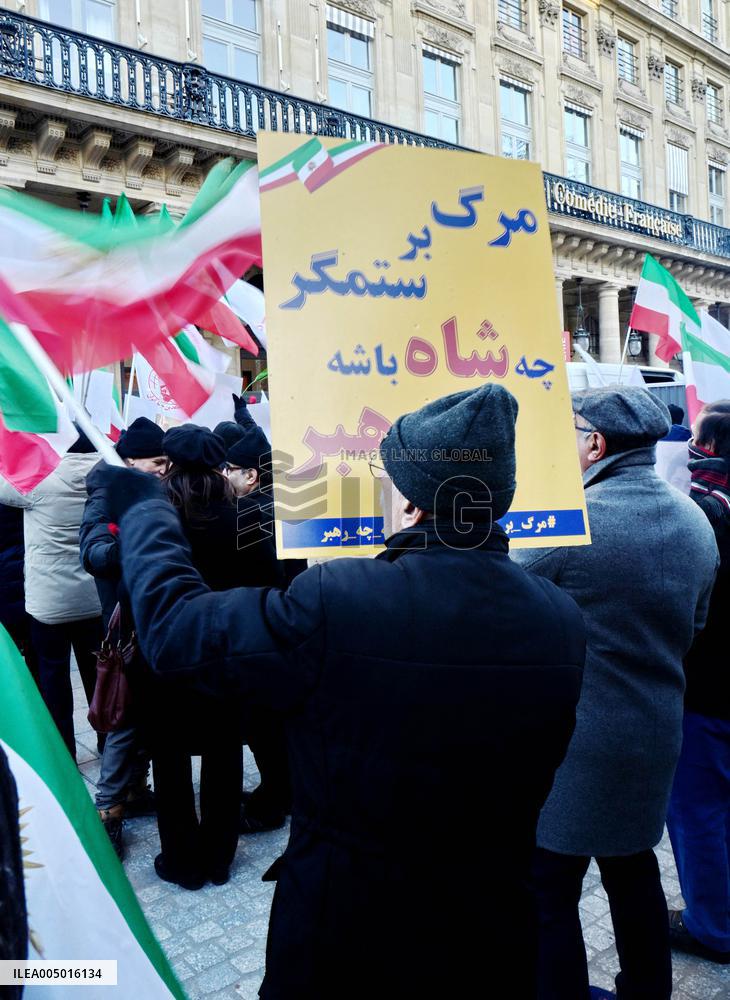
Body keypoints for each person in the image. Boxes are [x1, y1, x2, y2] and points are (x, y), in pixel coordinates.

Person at [98, 384, 586, 999]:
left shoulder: (341, 600)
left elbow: (174, 633)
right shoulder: (561, 619)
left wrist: (146, 512)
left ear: (410, 502)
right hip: (491, 934)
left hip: (347, 933)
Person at [512, 385, 718, 1000]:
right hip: (655, 732)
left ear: (595, 443)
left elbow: (508, 598)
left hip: (576, 746)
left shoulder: (568, 523)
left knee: (549, 886)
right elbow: (696, 625)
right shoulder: (694, 519)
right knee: (634, 873)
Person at [149, 424, 279, 890]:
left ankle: (183, 860)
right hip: (226, 649)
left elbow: (134, 585)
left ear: (171, 465)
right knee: (223, 752)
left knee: (169, 759)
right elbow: (269, 581)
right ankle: (219, 858)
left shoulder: (154, 519)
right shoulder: (242, 517)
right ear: (220, 466)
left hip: (165, 652)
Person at [79, 416, 167, 858]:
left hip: (158, 622)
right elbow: (94, 554)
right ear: (129, 460)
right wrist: (137, 542)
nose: (163, 470)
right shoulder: (104, 495)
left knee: (146, 717)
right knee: (123, 720)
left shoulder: (157, 491)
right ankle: (107, 812)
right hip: (123, 631)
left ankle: (134, 791)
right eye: (157, 462)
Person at [666, 400, 730, 965]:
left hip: (707, 695)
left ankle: (711, 926)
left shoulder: (703, 514)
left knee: (699, 814)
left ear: (706, 449)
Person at [0, 431, 103, 760]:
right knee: (99, 679)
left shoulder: (39, 480)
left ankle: (63, 754)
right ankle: (109, 744)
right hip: (94, 598)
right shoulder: (107, 477)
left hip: (49, 605)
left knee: (53, 680)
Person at [225, 423, 292, 833]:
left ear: (251, 475)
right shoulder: (289, 507)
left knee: (263, 725)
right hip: (288, 626)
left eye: (229, 468)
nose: (223, 475)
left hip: (262, 632)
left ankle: (273, 803)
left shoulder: (245, 515)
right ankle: (285, 791)